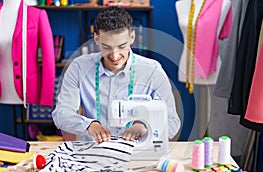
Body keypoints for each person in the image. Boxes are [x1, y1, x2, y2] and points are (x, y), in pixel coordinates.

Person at [52, 6, 180, 143]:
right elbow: (61, 114)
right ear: (96, 39)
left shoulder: (152, 71)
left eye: (121, 46)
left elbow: (172, 122)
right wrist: (88, 125)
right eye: (106, 47)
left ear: (132, 37)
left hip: (135, 152)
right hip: (93, 152)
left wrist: (145, 125)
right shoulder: (78, 68)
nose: (114, 56)